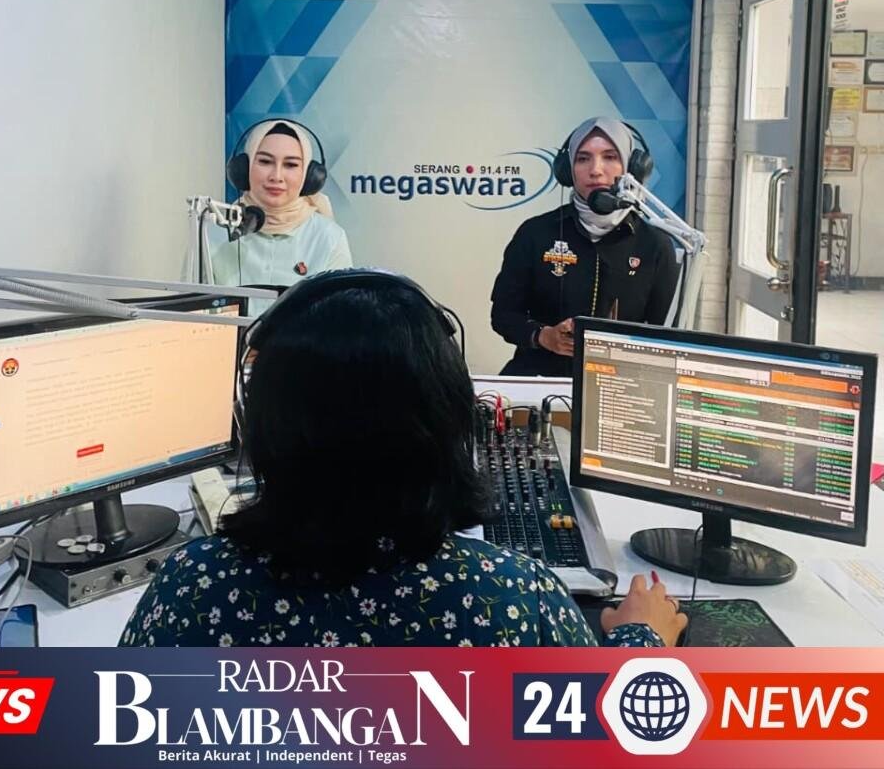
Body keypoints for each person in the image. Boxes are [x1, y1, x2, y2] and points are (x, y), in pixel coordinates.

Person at [120, 270, 685, 648]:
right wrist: (641, 639)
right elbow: (605, 734)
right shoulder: (512, 599)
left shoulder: (193, 589)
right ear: (447, 420)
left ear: (263, 421)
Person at [490, 117, 680, 377]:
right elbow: (503, 315)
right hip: (539, 379)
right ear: (567, 170)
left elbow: (667, 337)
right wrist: (544, 336)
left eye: (610, 157)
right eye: (583, 159)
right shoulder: (535, 233)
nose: (595, 170)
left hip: (618, 384)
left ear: (632, 168)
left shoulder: (654, 245)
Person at [211, 119, 352, 289]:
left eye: (290, 165)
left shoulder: (329, 237)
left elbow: (341, 304)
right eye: (265, 161)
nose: (276, 176)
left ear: (308, 176)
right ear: (244, 168)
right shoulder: (214, 232)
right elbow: (190, 302)